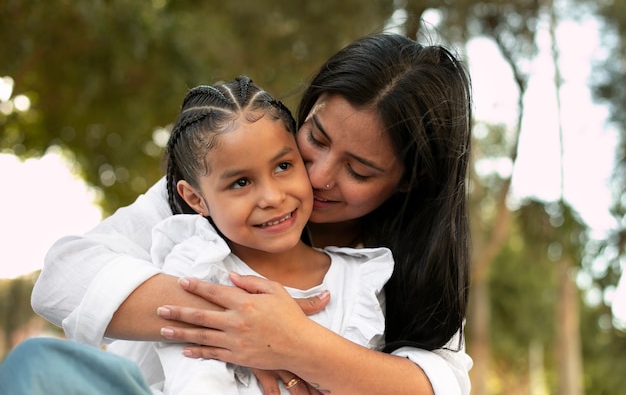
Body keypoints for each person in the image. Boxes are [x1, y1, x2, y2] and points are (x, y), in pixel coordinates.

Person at [28, 32, 473, 395]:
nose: (316, 177)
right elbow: (63, 278)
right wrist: (241, 319)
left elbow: (441, 382)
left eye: (357, 170)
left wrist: (297, 344)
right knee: (38, 366)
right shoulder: (208, 203)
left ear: (408, 180)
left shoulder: (404, 266)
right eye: (315, 139)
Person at [107, 76, 393, 394]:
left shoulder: (363, 278)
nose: (272, 197)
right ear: (196, 199)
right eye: (241, 182)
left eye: (283, 166)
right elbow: (195, 381)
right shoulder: (201, 271)